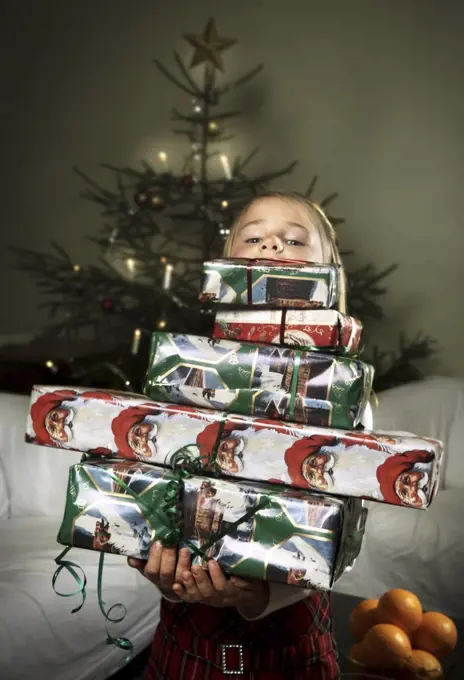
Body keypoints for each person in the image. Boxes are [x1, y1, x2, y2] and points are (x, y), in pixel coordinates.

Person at [128, 192, 371, 679]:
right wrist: (162, 565)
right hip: (184, 645)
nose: (273, 245)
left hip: (289, 648)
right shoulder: (187, 367)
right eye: (254, 237)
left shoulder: (342, 388)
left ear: (328, 272)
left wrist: (263, 592)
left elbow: (344, 521)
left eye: (295, 240)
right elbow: (156, 479)